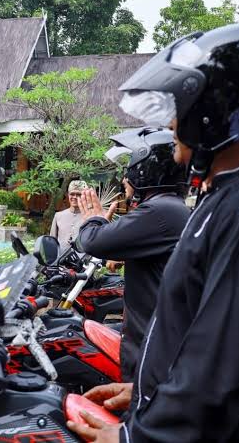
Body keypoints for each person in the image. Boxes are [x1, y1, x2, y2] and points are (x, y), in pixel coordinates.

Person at [68, 22, 239, 442]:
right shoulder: (227, 198)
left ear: (213, 112)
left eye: (180, 108)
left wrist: (133, 439)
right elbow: (197, 333)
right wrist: (149, 391)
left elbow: (225, 365)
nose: (170, 125)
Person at [74, 128, 189, 382]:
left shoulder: (159, 211)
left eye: (131, 167)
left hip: (151, 347)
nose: (125, 177)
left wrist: (92, 219)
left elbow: (92, 241)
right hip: (157, 338)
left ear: (146, 167)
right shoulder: (170, 208)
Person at [50, 180, 90, 252]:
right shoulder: (58, 216)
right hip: (60, 259)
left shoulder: (89, 217)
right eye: (72, 194)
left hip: (83, 260)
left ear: (84, 196)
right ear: (68, 195)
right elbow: (52, 241)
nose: (75, 197)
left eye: (78, 194)